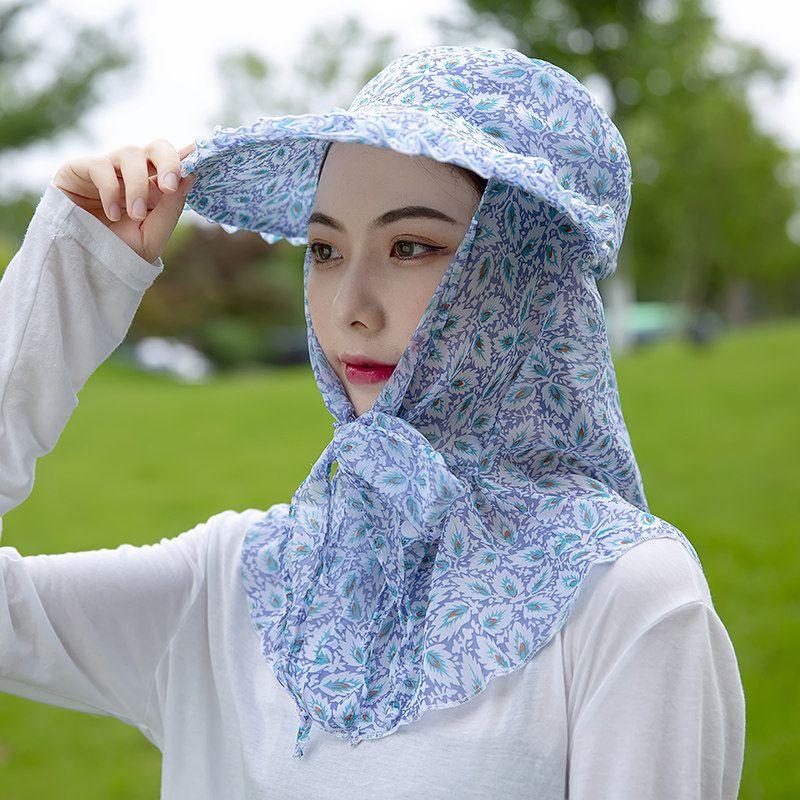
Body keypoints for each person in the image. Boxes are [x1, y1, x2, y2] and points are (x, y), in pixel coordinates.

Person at [0, 45, 745, 798]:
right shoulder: (231, 584)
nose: (349, 305)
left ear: (524, 272)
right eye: (325, 250)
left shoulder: (626, 597)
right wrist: (73, 269)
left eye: (410, 246)